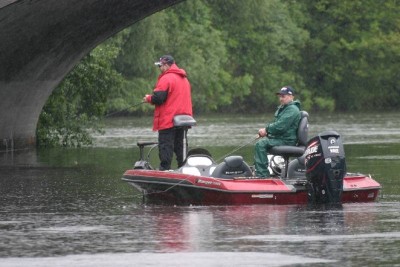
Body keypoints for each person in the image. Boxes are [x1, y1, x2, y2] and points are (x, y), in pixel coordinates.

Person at [143, 55, 193, 170]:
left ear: (166, 65)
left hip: (169, 119)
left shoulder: (166, 78)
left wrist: (148, 98)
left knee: (166, 145)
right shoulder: (184, 78)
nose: (159, 68)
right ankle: (184, 168)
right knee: (181, 146)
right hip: (183, 119)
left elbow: (159, 98)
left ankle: (165, 169)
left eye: (160, 66)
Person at [254, 86, 301, 177]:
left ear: (291, 97)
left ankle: (262, 176)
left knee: (261, 144)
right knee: (262, 143)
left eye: (283, 96)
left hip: (287, 140)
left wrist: (266, 130)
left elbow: (280, 126)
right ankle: (259, 171)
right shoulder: (286, 108)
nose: (280, 99)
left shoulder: (292, 109)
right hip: (282, 138)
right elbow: (279, 126)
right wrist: (268, 133)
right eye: (280, 96)